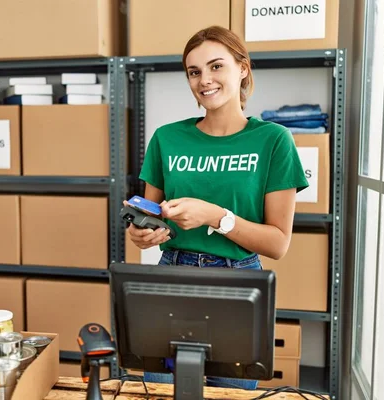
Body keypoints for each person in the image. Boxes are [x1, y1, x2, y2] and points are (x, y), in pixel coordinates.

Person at [125, 26, 310, 390]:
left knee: (233, 394)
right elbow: (154, 214)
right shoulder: (167, 137)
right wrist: (142, 233)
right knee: (162, 392)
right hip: (171, 279)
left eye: (215, 66)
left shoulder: (273, 141)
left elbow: (277, 244)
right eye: (194, 72)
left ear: (242, 68)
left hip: (239, 283)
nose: (204, 80)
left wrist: (215, 216)